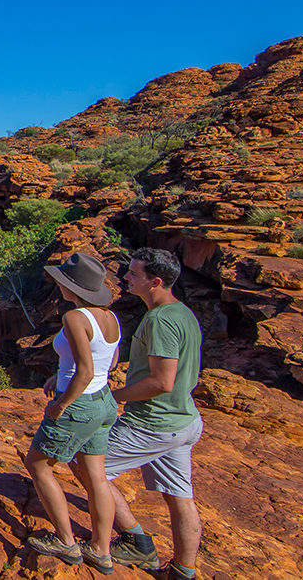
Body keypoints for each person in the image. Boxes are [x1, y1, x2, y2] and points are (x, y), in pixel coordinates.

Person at [102, 247, 203, 580]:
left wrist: (111, 396)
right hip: (183, 420)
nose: (126, 277)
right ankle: (183, 572)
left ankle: (136, 540)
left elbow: (161, 381)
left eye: (133, 274)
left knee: (85, 463)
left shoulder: (160, 320)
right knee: (180, 498)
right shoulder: (183, 313)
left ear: (155, 281)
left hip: (152, 423)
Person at [23, 252, 121, 575]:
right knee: (95, 476)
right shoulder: (110, 317)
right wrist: (59, 375)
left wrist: (61, 403)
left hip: (79, 404)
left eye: (63, 280)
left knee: (37, 464)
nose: (58, 283)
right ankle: (101, 551)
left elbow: (85, 370)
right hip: (104, 401)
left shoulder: (75, 318)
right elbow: (109, 361)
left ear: (72, 287)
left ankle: (66, 543)